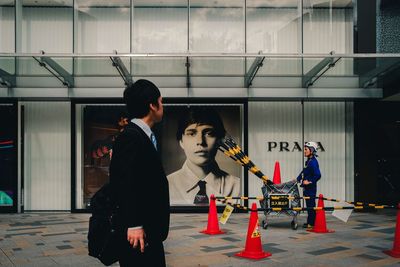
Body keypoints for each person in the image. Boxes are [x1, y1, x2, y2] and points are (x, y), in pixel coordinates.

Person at [109, 79, 170, 267]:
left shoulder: (143, 135)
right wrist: (134, 224)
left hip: (149, 229)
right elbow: (125, 182)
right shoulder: (131, 137)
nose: (163, 105)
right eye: (161, 101)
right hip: (138, 233)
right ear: (153, 105)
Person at [167, 106, 240, 205]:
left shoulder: (238, 187)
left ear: (220, 141)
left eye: (209, 133)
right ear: (181, 142)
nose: (200, 141)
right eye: (192, 134)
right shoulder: (166, 185)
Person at [296, 141, 321, 229]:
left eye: (306, 149)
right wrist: (297, 179)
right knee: (309, 206)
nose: (305, 151)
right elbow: (304, 171)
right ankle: (310, 221)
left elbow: (318, 175)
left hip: (311, 189)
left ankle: (312, 223)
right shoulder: (309, 161)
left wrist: (309, 181)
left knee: (311, 206)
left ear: (312, 150)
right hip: (307, 189)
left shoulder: (313, 162)